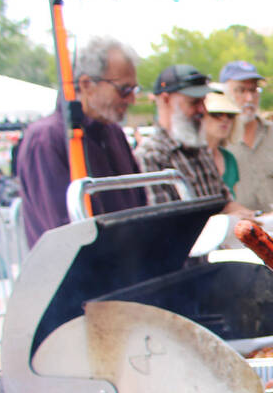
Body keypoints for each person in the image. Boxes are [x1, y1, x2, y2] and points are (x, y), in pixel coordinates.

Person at [16, 36, 147, 245]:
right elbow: (62, 231)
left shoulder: (113, 132)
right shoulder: (45, 139)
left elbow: (140, 204)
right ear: (87, 84)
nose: (131, 99)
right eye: (124, 89)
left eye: (134, 90)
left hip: (127, 269)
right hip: (80, 273)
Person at [135, 64, 253, 217]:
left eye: (203, 102)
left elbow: (225, 202)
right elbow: (165, 222)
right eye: (194, 102)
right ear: (166, 100)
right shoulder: (150, 155)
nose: (202, 110)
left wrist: (249, 217)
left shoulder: (200, 148)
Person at [220, 60, 273, 212]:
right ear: (224, 94)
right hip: (236, 229)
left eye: (254, 90)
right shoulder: (219, 136)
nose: (249, 98)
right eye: (241, 90)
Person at [202, 90, 240, 194]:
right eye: (217, 114)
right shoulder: (189, 157)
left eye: (230, 115)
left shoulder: (229, 158)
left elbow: (233, 201)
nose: (225, 119)